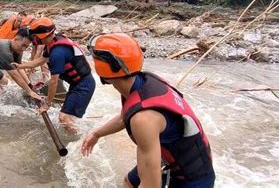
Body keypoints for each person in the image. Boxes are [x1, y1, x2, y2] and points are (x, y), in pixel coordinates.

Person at [80, 33, 215, 187]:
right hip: (177, 157)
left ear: (104, 68)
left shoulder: (143, 120)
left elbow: (151, 186)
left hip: (192, 179)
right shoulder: (142, 81)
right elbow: (123, 117)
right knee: (129, 182)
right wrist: (97, 134)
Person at [13, 17, 96, 132]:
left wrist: (47, 104)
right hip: (77, 84)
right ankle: (77, 138)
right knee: (66, 118)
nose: (34, 40)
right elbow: (41, 60)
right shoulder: (53, 42)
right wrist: (20, 66)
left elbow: (54, 81)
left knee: (64, 118)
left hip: (84, 86)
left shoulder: (58, 53)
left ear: (41, 36)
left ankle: (81, 143)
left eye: (35, 37)